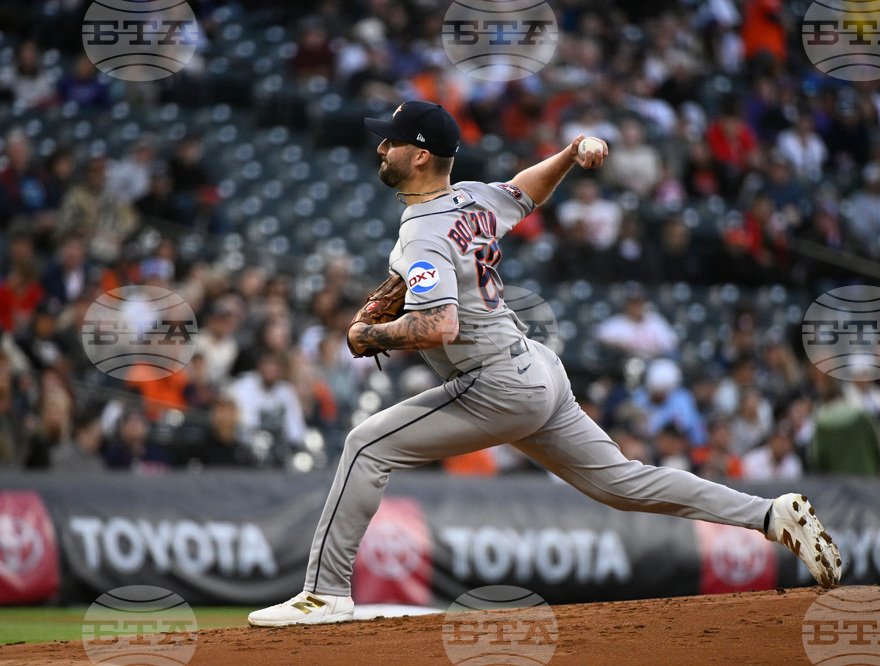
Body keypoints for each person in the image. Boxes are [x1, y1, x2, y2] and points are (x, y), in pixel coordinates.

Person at [248, 102, 841, 627]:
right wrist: (569, 152)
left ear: (421, 156)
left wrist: (370, 336)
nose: (382, 148)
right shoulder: (472, 198)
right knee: (622, 483)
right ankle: (770, 513)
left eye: (392, 140)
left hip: (495, 383)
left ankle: (323, 595)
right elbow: (524, 191)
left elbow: (439, 326)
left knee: (364, 445)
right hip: (535, 369)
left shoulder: (423, 232)